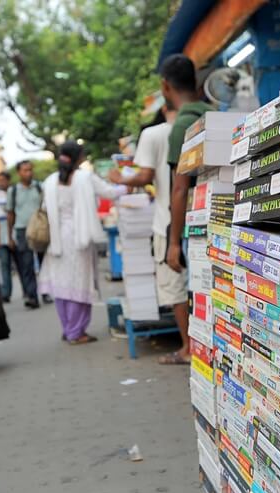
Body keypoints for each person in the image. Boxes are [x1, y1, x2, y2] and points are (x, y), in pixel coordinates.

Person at [108, 106, 194, 363]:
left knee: (174, 287)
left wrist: (119, 178)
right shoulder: (203, 120)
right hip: (198, 215)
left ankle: (188, 348)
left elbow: (149, 177)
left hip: (169, 224)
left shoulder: (154, 134)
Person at [38, 141, 128, 345]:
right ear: (79, 157)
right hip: (80, 236)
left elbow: (45, 207)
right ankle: (76, 332)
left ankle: (68, 328)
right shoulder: (85, 177)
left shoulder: (50, 181)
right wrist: (126, 184)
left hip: (57, 238)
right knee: (80, 282)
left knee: (62, 285)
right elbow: (111, 193)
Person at [161, 54, 214, 364]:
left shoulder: (182, 125)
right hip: (221, 218)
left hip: (196, 225)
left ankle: (198, 353)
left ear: (165, 86)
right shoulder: (215, 114)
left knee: (199, 292)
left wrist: (172, 242)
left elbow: (179, 188)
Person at [6, 161, 53, 309]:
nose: (29, 173)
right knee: (26, 265)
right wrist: (9, 236)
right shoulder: (13, 191)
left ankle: (46, 291)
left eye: (30, 170)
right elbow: (10, 213)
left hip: (40, 229)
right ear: (19, 172)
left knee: (44, 262)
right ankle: (32, 296)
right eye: (25, 170)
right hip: (22, 230)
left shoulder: (39, 187)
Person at [0, 171, 13, 302]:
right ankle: (5, 293)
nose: (1, 182)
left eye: (3, 180)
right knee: (4, 265)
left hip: (15, 234)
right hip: (1, 236)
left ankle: (30, 293)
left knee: (23, 266)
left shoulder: (13, 192)